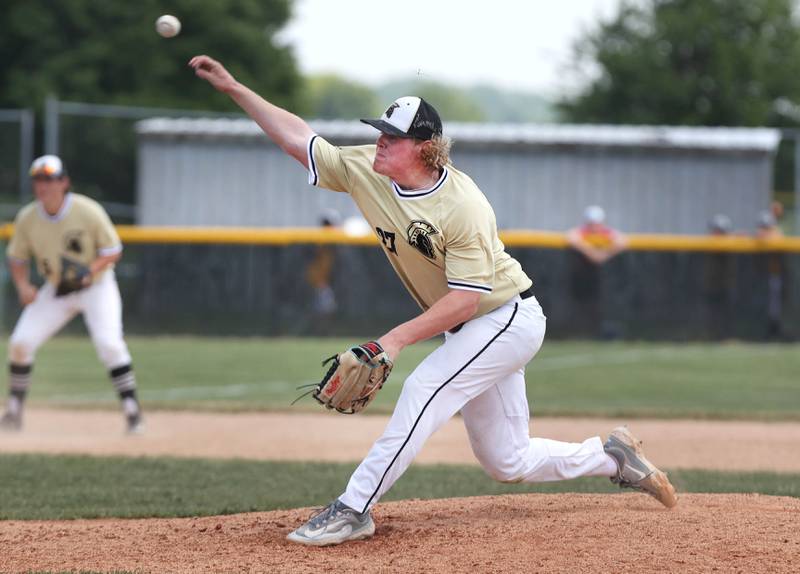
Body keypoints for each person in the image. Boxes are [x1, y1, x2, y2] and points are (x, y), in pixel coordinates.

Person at [190, 54, 677, 546]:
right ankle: (611, 457)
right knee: (506, 461)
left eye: (391, 136)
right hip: (471, 327)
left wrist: (393, 341)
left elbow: (467, 301)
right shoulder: (368, 167)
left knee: (424, 387)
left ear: (424, 148)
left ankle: (354, 508)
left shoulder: (463, 206)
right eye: (380, 131)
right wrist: (234, 87)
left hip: (505, 318)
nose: (379, 141)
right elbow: (301, 139)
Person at [0, 155, 143, 434]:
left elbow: (113, 249)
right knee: (20, 342)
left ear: (64, 182)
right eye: (38, 179)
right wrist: (23, 286)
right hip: (57, 289)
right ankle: (14, 411)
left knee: (110, 344)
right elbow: (16, 257)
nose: (43, 185)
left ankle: (132, 411)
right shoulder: (28, 217)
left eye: (50, 179)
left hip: (96, 287)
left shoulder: (87, 210)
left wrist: (90, 270)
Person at [566, 206, 627, 339]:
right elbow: (571, 237)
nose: (594, 226)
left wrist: (604, 254)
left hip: (604, 282)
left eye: (597, 223)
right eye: (591, 223)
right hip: (581, 278)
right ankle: (580, 333)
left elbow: (622, 241)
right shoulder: (582, 232)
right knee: (582, 305)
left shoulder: (607, 233)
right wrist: (593, 253)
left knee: (601, 307)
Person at [754, 208, 787, 340]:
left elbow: (775, 238)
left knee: (774, 307)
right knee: (762, 306)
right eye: (762, 226)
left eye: (766, 227)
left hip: (775, 276)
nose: (763, 229)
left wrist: (766, 234)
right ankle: (762, 330)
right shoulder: (758, 235)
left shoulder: (777, 234)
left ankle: (774, 331)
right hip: (761, 277)